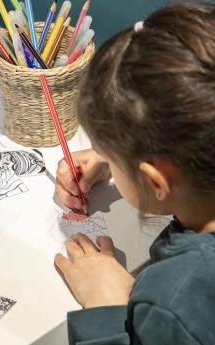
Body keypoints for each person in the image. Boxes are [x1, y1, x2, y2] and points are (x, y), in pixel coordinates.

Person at [54, 3, 215, 344]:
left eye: (113, 162)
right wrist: (122, 151)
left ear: (156, 180)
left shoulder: (173, 301)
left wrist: (106, 306)